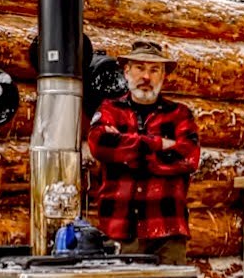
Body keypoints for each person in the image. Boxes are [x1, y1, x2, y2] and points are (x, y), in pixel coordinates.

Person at [85, 41, 200, 265]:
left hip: (168, 231)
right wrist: (160, 144)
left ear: (163, 75)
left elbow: (188, 157)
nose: (146, 76)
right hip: (120, 229)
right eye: (140, 68)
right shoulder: (110, 109)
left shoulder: (180, 115)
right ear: (127, 71)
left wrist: (127, 152)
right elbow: (99, 144)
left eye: (154, 69)